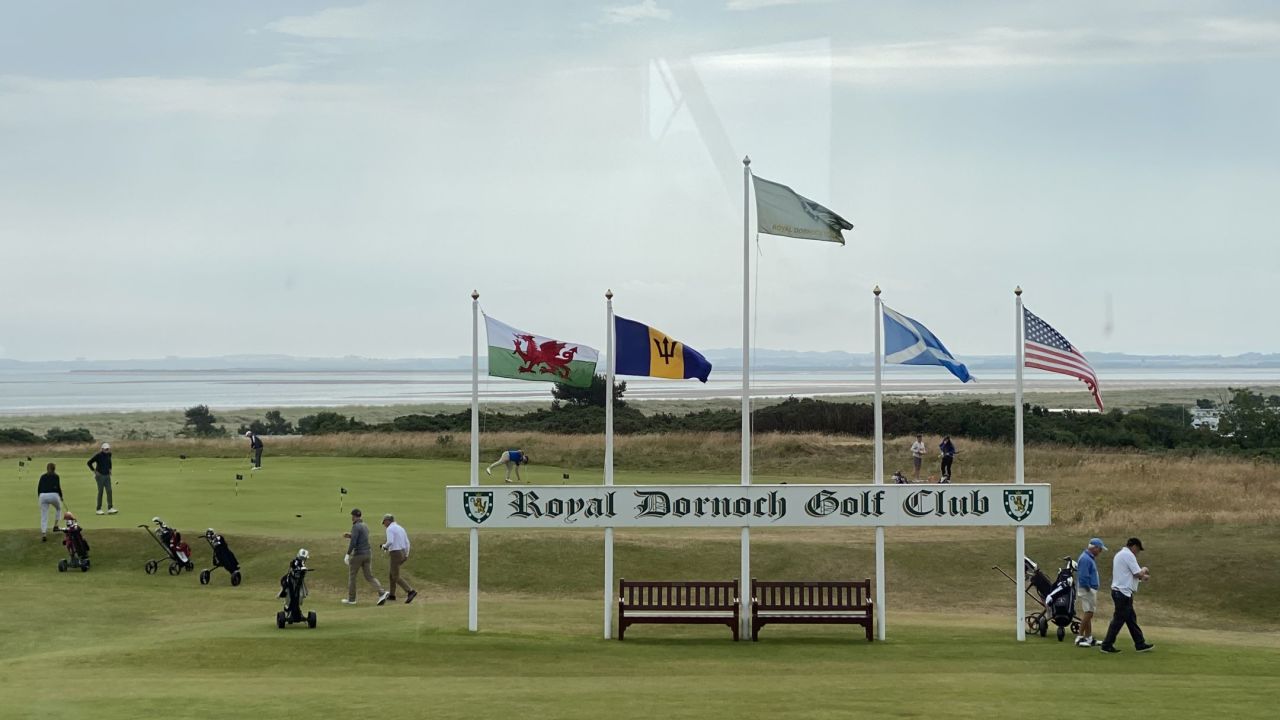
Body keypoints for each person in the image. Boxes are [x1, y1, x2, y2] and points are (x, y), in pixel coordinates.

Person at [1099, 537, 1154, 654]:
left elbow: (1129, 574)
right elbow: (1137, 573)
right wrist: (1144, 569)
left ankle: (1140, 643)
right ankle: (1106, 644)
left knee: (1131, 619)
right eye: (1138, 550)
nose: (1137, 553)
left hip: (1121, 591)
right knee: (1118, 620)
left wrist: (1142, 577)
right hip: (1122, 592)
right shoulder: (1128, 555)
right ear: (1134, 546)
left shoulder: (1120, 555)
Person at [342, 509, 390, 606]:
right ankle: (381, 592)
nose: (352, 518)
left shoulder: (355, 526)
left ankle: (351, 599)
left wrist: (347, 554)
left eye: (352, 516)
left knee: (352, 576)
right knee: (369, 576)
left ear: (354, 516)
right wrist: (350, 535)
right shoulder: (365, 526)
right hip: (368, 554)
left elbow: (354, 542)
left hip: (358, 554)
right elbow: (361, 537)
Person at [1074, 537, 1107, 647]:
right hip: (1087, 589)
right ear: (1094, 548)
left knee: (1088, 613)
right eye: (1100, 549)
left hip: (1088, 589)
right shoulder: (1085, 559)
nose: (1100, 552)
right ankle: (1079, 637)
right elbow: (1083, 577)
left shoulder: (1088, 558)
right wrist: (1089, 589)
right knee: (1089, 613)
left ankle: (1088, 638)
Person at [380, 513, 418, 604]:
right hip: (402, 553)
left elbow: (390, 541)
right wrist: (406, 555)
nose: (384, 524)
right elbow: (407, 542)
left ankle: (410, 591)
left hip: (395, 553)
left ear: (388, 521)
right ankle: (392, 595)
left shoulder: (390, 529)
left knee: (395, 576)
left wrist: (384, 546)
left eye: (384, 522)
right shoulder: (401, 528)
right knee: (391, 574)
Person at [86, 442, 118, 515]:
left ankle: (110, 508)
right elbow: (89, 463)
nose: (107, 450)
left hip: (107, 475)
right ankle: (98, 509)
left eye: (108, 449)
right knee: (100, 492)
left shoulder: (109, 454)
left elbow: (109, 462)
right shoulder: (98, 455)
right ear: (102, 449)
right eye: (106, 449)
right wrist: (94, 471)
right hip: (100, 476)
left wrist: (110, 469)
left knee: (109, 491)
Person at [37, 462, 64, 542]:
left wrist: (40, 497)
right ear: (54, 469)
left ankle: (44, 534)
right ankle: (56, 526)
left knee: (44, 515)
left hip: (42, 496)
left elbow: (39, 488)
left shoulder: (42, 476)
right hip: (53, 495)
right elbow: (58, 487)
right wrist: (61, 496)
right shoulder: (56, 476)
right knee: (58, 508)